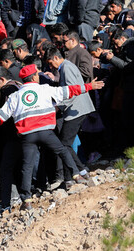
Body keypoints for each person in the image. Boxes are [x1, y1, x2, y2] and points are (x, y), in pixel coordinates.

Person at [0, 64, 104, 210]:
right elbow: (69, 91)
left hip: (27, 136)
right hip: (46, 132)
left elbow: (0, 117)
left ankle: (27, 200)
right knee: (62, 151)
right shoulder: (45, 89)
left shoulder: (15, 96)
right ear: (35, 77)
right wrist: (89, 86)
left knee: (27, 166)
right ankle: (76, 175)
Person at [44, 47, 94, 183]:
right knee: (65, 143)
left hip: (76, 109)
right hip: (75, 109)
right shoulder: (65, 67)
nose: (50, 66)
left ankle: (80, 171)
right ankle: (79, 171)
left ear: (55, 57)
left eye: (50, 62)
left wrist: (59, 107)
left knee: (64, 144)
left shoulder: (66, 67)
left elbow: (73, 90)